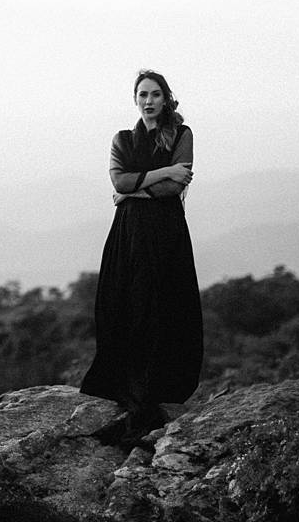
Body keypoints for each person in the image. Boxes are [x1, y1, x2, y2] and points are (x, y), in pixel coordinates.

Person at [79, 69, 203, 435]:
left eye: (155, 94)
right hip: (129, 232)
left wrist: (134, 189)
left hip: (165, 232)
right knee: (127, 303)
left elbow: (173, 188)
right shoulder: (122, 139)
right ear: (136, 100)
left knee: (162, 305)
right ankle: (126, 387)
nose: (148, 101)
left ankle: (158, 388)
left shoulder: (182, 134)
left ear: (166, 99)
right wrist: (160, 172)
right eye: (142, 95)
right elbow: (120, 181)